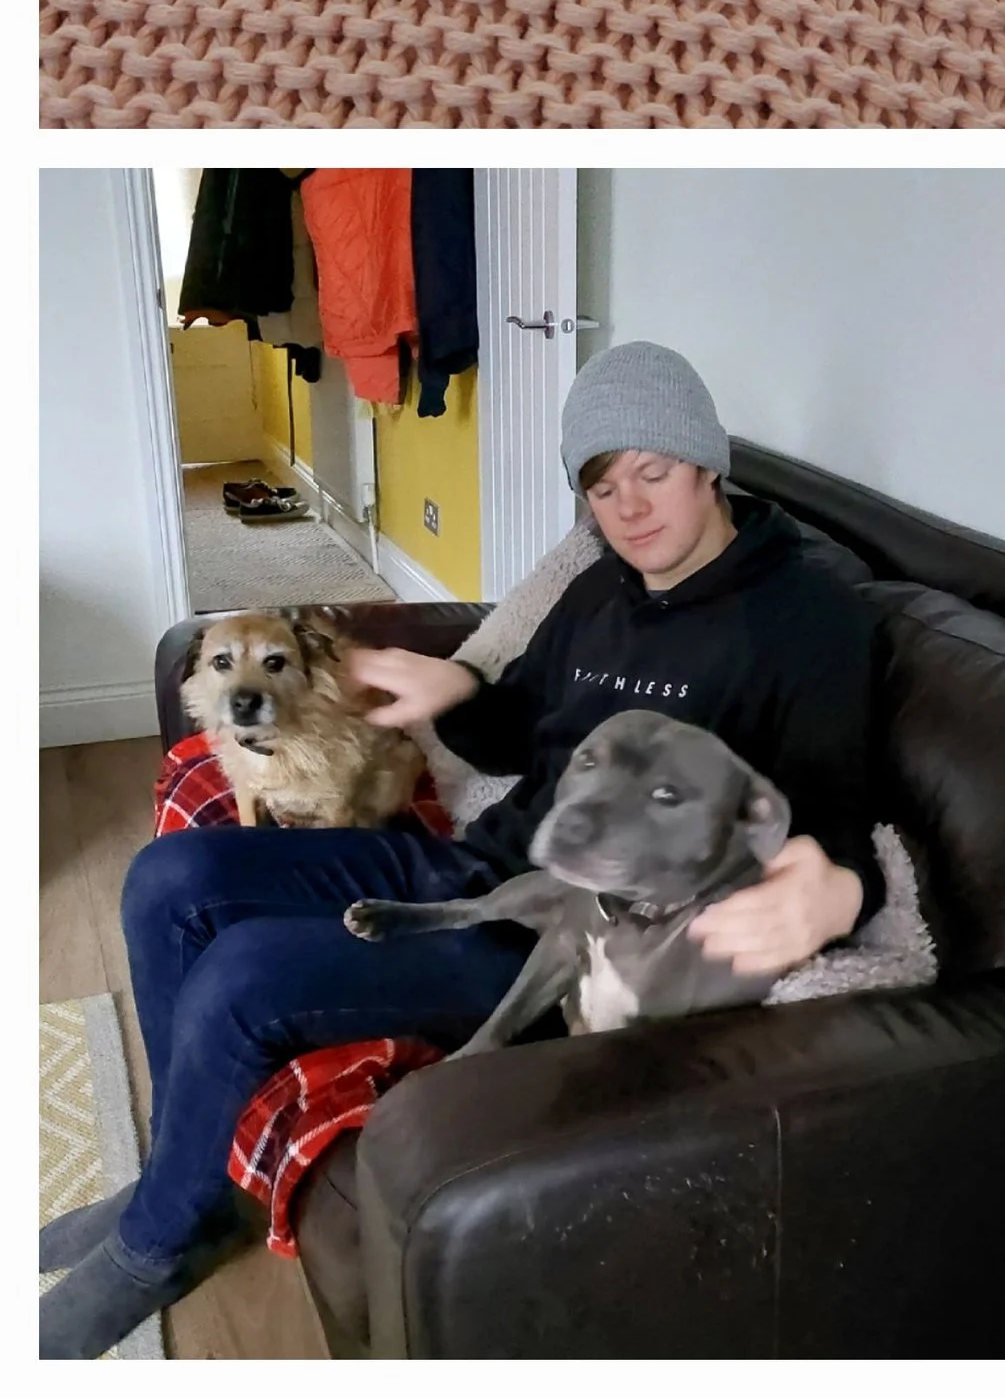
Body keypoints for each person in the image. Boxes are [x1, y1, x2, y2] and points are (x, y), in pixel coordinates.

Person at [41, 342, 879, 1359]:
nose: (629, 508)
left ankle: (155, 1240)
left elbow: (840, 818)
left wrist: (832, 891)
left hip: (555, 943)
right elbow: (526, 727)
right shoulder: (606, 587)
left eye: (652, 472)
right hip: (470, 870)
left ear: (706, 462)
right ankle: (191, 1175)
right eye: (602, 485)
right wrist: (456, 696)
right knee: (167, 879)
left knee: (245, 972)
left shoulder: (810, 617)